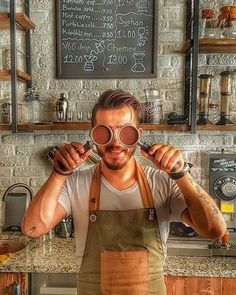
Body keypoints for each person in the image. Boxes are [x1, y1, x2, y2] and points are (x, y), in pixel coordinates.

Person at [22, 89, 227, 295]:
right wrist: (59, 173)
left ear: (139, 134)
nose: (115, 142)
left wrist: (181, 174)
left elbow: (215, 230)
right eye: (105, 131)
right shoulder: (76, 183)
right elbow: (32, 228)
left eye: (125, 131)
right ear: (93, 135)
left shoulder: (163, 182)